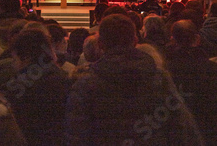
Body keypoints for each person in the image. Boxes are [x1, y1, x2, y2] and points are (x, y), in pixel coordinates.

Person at [66, 14, 204, 145]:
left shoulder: (86, 84)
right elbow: (181, 127)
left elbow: (77, 135)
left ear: (100, 44)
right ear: (135, 40)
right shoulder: (159, 78)